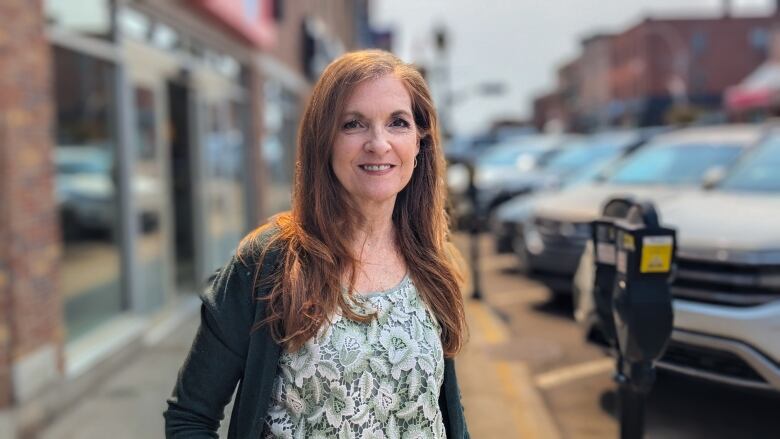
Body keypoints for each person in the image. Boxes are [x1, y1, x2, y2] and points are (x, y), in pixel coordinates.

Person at [164, 49, 470, 438]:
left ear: (419, 141)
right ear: (323, 140)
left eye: (397, 122)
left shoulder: (431, 261)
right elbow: (190, 418)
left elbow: (444, 408)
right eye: (353, 124)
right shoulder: (268, 264)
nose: (378, 143)